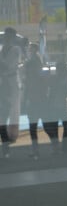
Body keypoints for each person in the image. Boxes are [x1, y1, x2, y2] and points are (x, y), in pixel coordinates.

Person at [22, 42, 49, 159]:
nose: (29, 51)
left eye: (30, 49)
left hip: (34, 100)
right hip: (39, 99)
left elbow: (28, 85)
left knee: (33, 126)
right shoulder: (37, 64)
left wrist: (25, 99)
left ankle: (36, 150)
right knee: (45, 124)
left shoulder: (32, 65)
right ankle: (55, 146)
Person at [0, 27, 23, 158]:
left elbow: (8, 65)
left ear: (13, 37)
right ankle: (6, 137)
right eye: (6, 36)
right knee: (3, 111)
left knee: (13, 109)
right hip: (3, 82)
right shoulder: (2, 49)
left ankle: (12, 135)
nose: (6, 38)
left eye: (9, 36)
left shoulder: (16, 49)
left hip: (12, 82)